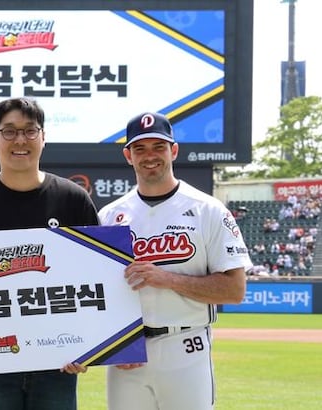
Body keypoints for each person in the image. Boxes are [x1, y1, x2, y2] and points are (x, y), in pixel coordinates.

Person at [0, 97, 99, 410]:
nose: (20, 140)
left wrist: (90, 346)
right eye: (9, 131)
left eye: (29, 131)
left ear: (43, 137)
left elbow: (98, 279)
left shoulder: (73, 200)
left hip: (58, 359)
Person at [98, 112, 252, 410]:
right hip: (129, 354)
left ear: (174, 150)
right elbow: (100, 292)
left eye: (159, 147)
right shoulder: (109, 215)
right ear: (128, 156)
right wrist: (114, 347)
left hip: (186, 346)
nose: (150, 156)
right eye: (140, 148)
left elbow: (235, 290)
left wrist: (167, 279)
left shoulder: (208, 210)